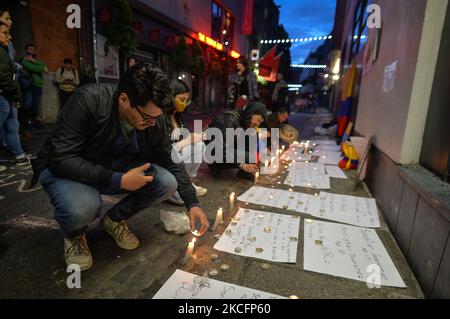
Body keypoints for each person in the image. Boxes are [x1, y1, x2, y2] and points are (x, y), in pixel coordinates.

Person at [31, 64, 209, 271]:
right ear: (124, 100)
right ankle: (74, 235)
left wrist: (192, 202)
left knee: (167, 182)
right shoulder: (89, 100)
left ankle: (114, 219)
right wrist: (118, 180)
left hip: (113, 163)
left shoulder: (155, 118)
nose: (153, 123)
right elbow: (60, 157)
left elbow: (169, 158)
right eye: (146, 117)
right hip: (68, 166)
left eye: (157, 117)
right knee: (82, 208)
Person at [164, 79, 208, 206]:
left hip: (175, 154)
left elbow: (181, 138)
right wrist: (187, 141)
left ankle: (186, 183)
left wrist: (195, 137)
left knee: (199, 145)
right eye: (181, 99)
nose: (184, 104)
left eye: (186, 101)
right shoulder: (160, 115)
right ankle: (172, 189)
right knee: (183, 200)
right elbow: (163, 148)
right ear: (170, 97)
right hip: (163, 159)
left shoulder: (177, 115)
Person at [0, 20, 34, 166]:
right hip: (4, 94)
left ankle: (19, 155)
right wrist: (15, 94)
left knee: (12, 125)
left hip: (8, 95)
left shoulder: (3, 51)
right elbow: (3, 77)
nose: (9, 37)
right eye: (5, 33)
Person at [207, 101, 268, 181]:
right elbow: (221, 149)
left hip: (228, 150)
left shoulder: (244, 120)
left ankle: (245, 173)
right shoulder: (229, 120)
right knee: (248, 156)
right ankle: (216, 167)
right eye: (258, 120)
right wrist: (242, 165)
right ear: (252, 113)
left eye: (260, 122)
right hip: (216, 154)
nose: (258, 124)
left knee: (252, 135)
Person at [20, 44, 48, 127]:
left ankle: (34, 122)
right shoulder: (24, 61)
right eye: (30, 49)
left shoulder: (38, 61)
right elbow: (31, 68)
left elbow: (46, 69)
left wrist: (34, 62)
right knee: (27, 105)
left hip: (38, 86)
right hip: (29, 86)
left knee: (36, 106)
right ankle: (25, 123)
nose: (32, 50)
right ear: (26, 50)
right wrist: (41, 68)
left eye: (33, 49)